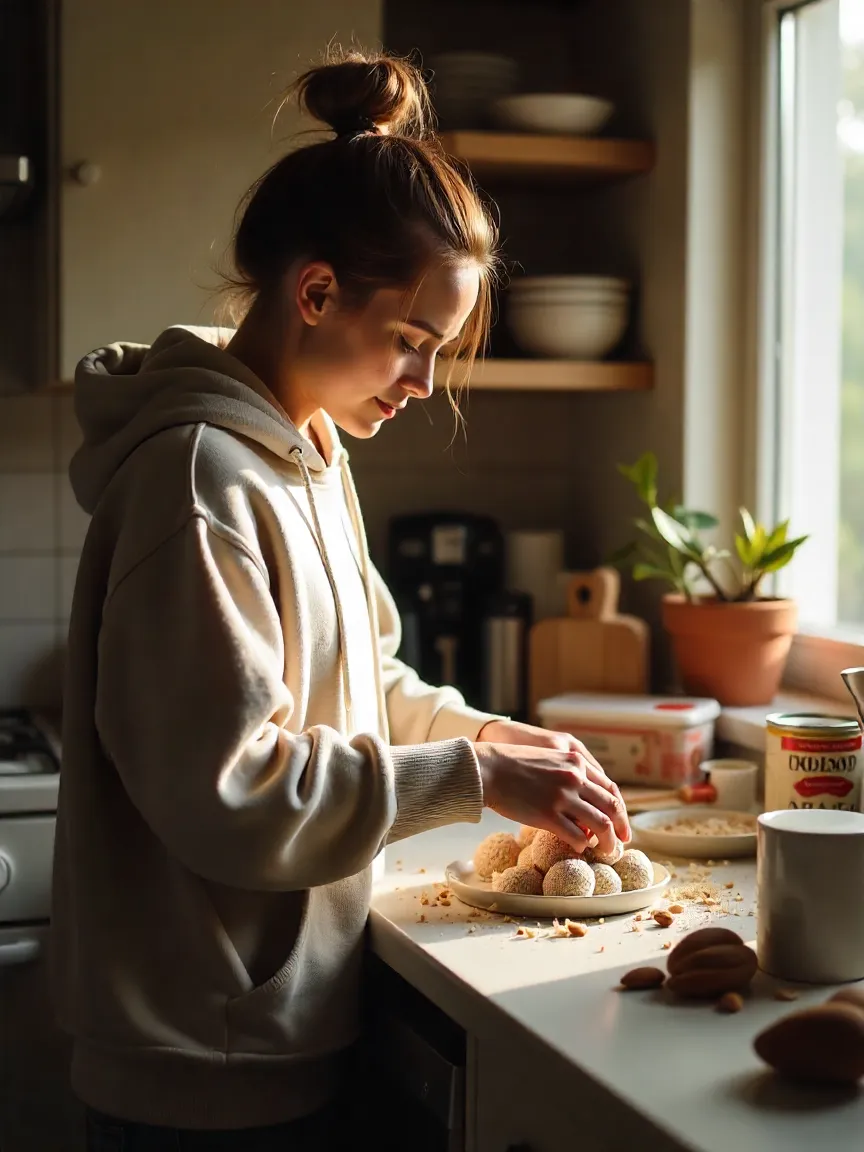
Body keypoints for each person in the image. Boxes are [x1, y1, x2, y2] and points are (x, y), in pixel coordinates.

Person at [51, 48, 631, 1151]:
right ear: (315, 292)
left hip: (268, 1029)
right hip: (199, 1066)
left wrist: (486, 735)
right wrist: (473, 776)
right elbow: (230, 787)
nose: (421, 383)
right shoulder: (203, 478)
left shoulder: (307, 450)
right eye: (412, 342)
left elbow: (366, 681)